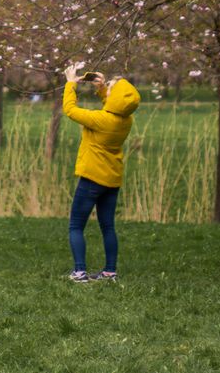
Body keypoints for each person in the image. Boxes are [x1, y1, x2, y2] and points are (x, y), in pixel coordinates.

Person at [62, 62, 141, 282]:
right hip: (112, 179)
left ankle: (79, 272)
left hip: (92, 179)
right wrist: (102, 89)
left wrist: (70, 85)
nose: (108, 86)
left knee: (76, 225)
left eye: (111, 87)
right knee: (107, 226)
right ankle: (109, 272)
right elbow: (115, 105)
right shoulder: (126, 120)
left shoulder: (101, 120)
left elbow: (70, 110)